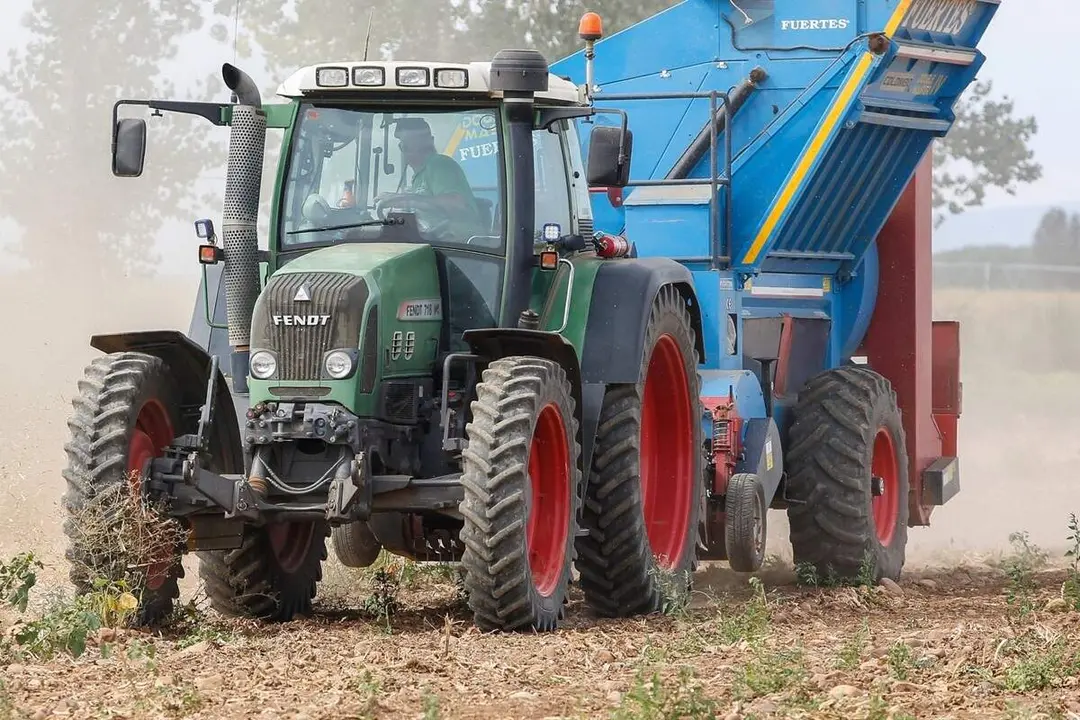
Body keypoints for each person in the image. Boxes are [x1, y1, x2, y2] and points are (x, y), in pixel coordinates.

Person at [393, 117, 487, 240]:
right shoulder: (419, 176)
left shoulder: (439, 164)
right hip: (435, 240)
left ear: (428, 142)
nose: (404, 149)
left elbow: (456, 204)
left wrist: (411, 200)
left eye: (406, 144)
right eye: (403, 145)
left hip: (457, 245)